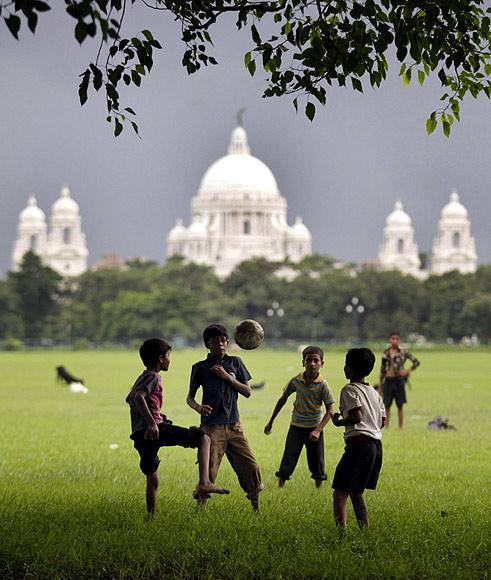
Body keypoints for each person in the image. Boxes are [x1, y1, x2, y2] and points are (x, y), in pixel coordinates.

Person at [126, 338, 229, 514]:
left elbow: (131, 399)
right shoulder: (153, 377)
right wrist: (152, 423)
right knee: (203, 438)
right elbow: (138, 398)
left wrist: (155, 414)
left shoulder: (141, 377)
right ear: (160, 359)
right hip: (153, 430)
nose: (169, 360)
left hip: (140, 436)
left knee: (152, 477)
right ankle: (204, 482)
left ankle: (151, 516)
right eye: (168, 356)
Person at [186, 323, 263, 512]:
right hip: (212, 428)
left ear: (227, 342)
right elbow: (190, 397)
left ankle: (256, 508)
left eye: (223, 340)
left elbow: (247, 391)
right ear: (207, 344)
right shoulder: (200, 368)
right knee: (209, 470)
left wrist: (228, 378)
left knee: (250, 467)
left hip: (235, 426)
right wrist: (198, 407)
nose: (220, 344)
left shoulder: (235, 362)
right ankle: (200, 509)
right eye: (215, 341)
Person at [264, 346, 334, 488]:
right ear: (303, 362)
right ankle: (280, 487)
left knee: (317, 460)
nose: (312, 364)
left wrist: (318, 430)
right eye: (309, 360)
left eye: (316, 360)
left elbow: (330, 411)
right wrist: (270, 422)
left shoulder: (323, 385)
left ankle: (318, 490)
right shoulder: (296, 380)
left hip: (314, 428)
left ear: (322, 363)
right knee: (289, 457)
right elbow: (283, 399)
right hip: (296, 427)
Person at [332, 348, 385, 530]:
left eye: (346, 364)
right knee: (356, 491)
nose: (344, 368)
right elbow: (382, 421)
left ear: (350, 368)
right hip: (376, 446)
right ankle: (365, 529)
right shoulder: (374, 392)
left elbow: (356, 417)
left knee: (340, 491)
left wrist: (339, 422)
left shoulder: (349, 389)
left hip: (359, 446)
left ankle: (341, 533)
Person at [379, 331, 420, 429]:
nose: (394, 341)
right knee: (387, 404)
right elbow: (382, 369)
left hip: (399, 381)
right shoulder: (386, 353)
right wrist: (381, 384)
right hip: (388, 380)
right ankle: (386, 426)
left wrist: (407, 371)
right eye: (393, 338)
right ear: (390, 340)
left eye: (397, 339)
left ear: (399, 340)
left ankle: (400, 427)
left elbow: (416, 362)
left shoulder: (403, 352)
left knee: (400, 404)